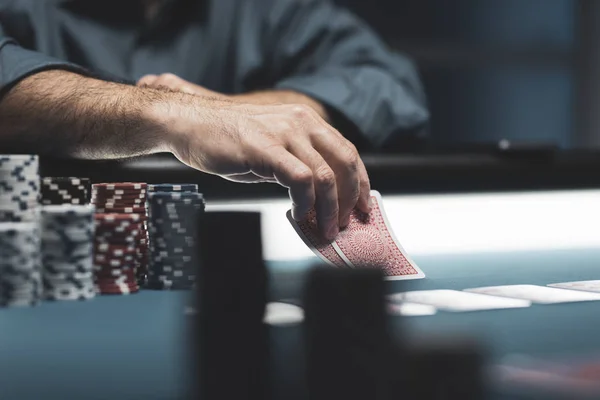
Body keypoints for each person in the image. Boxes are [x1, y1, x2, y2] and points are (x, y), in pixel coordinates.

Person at [0, 0, 429, 239]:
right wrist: (174, 116)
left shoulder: (261, 9)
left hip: (216, 262)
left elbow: (387, 83)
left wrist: (235, 116)